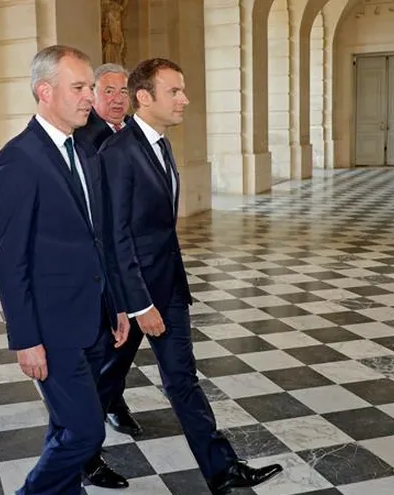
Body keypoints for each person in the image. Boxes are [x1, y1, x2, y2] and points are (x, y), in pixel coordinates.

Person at [96, 58, 284, 495]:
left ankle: (221, 469)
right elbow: (116, 237)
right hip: (137, 294)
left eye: (182, 90)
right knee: (106, 376)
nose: (185, 99)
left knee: (180, 378)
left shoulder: (160, 144)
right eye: (175, 91)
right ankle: (79, 450)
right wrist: (140, 304)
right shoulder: (118, 154)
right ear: (145, 97)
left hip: (168, 284)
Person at [0, 45, 131, 494]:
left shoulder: (85, 151)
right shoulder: (17, 160)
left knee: (66, 426)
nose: (90, 96)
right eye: (80, 87)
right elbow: (9, 261)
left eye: (90, 87)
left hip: (92, 318)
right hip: (51, 328)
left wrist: (118, 307)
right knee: (86, 432)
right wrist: (26, 339)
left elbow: (99, 240)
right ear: (45, 91)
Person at [75, 63, 130, 156]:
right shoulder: (82, 134)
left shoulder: (138, 126)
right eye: (109, 91)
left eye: (124, 92)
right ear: (92, 95)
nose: (118, 100)